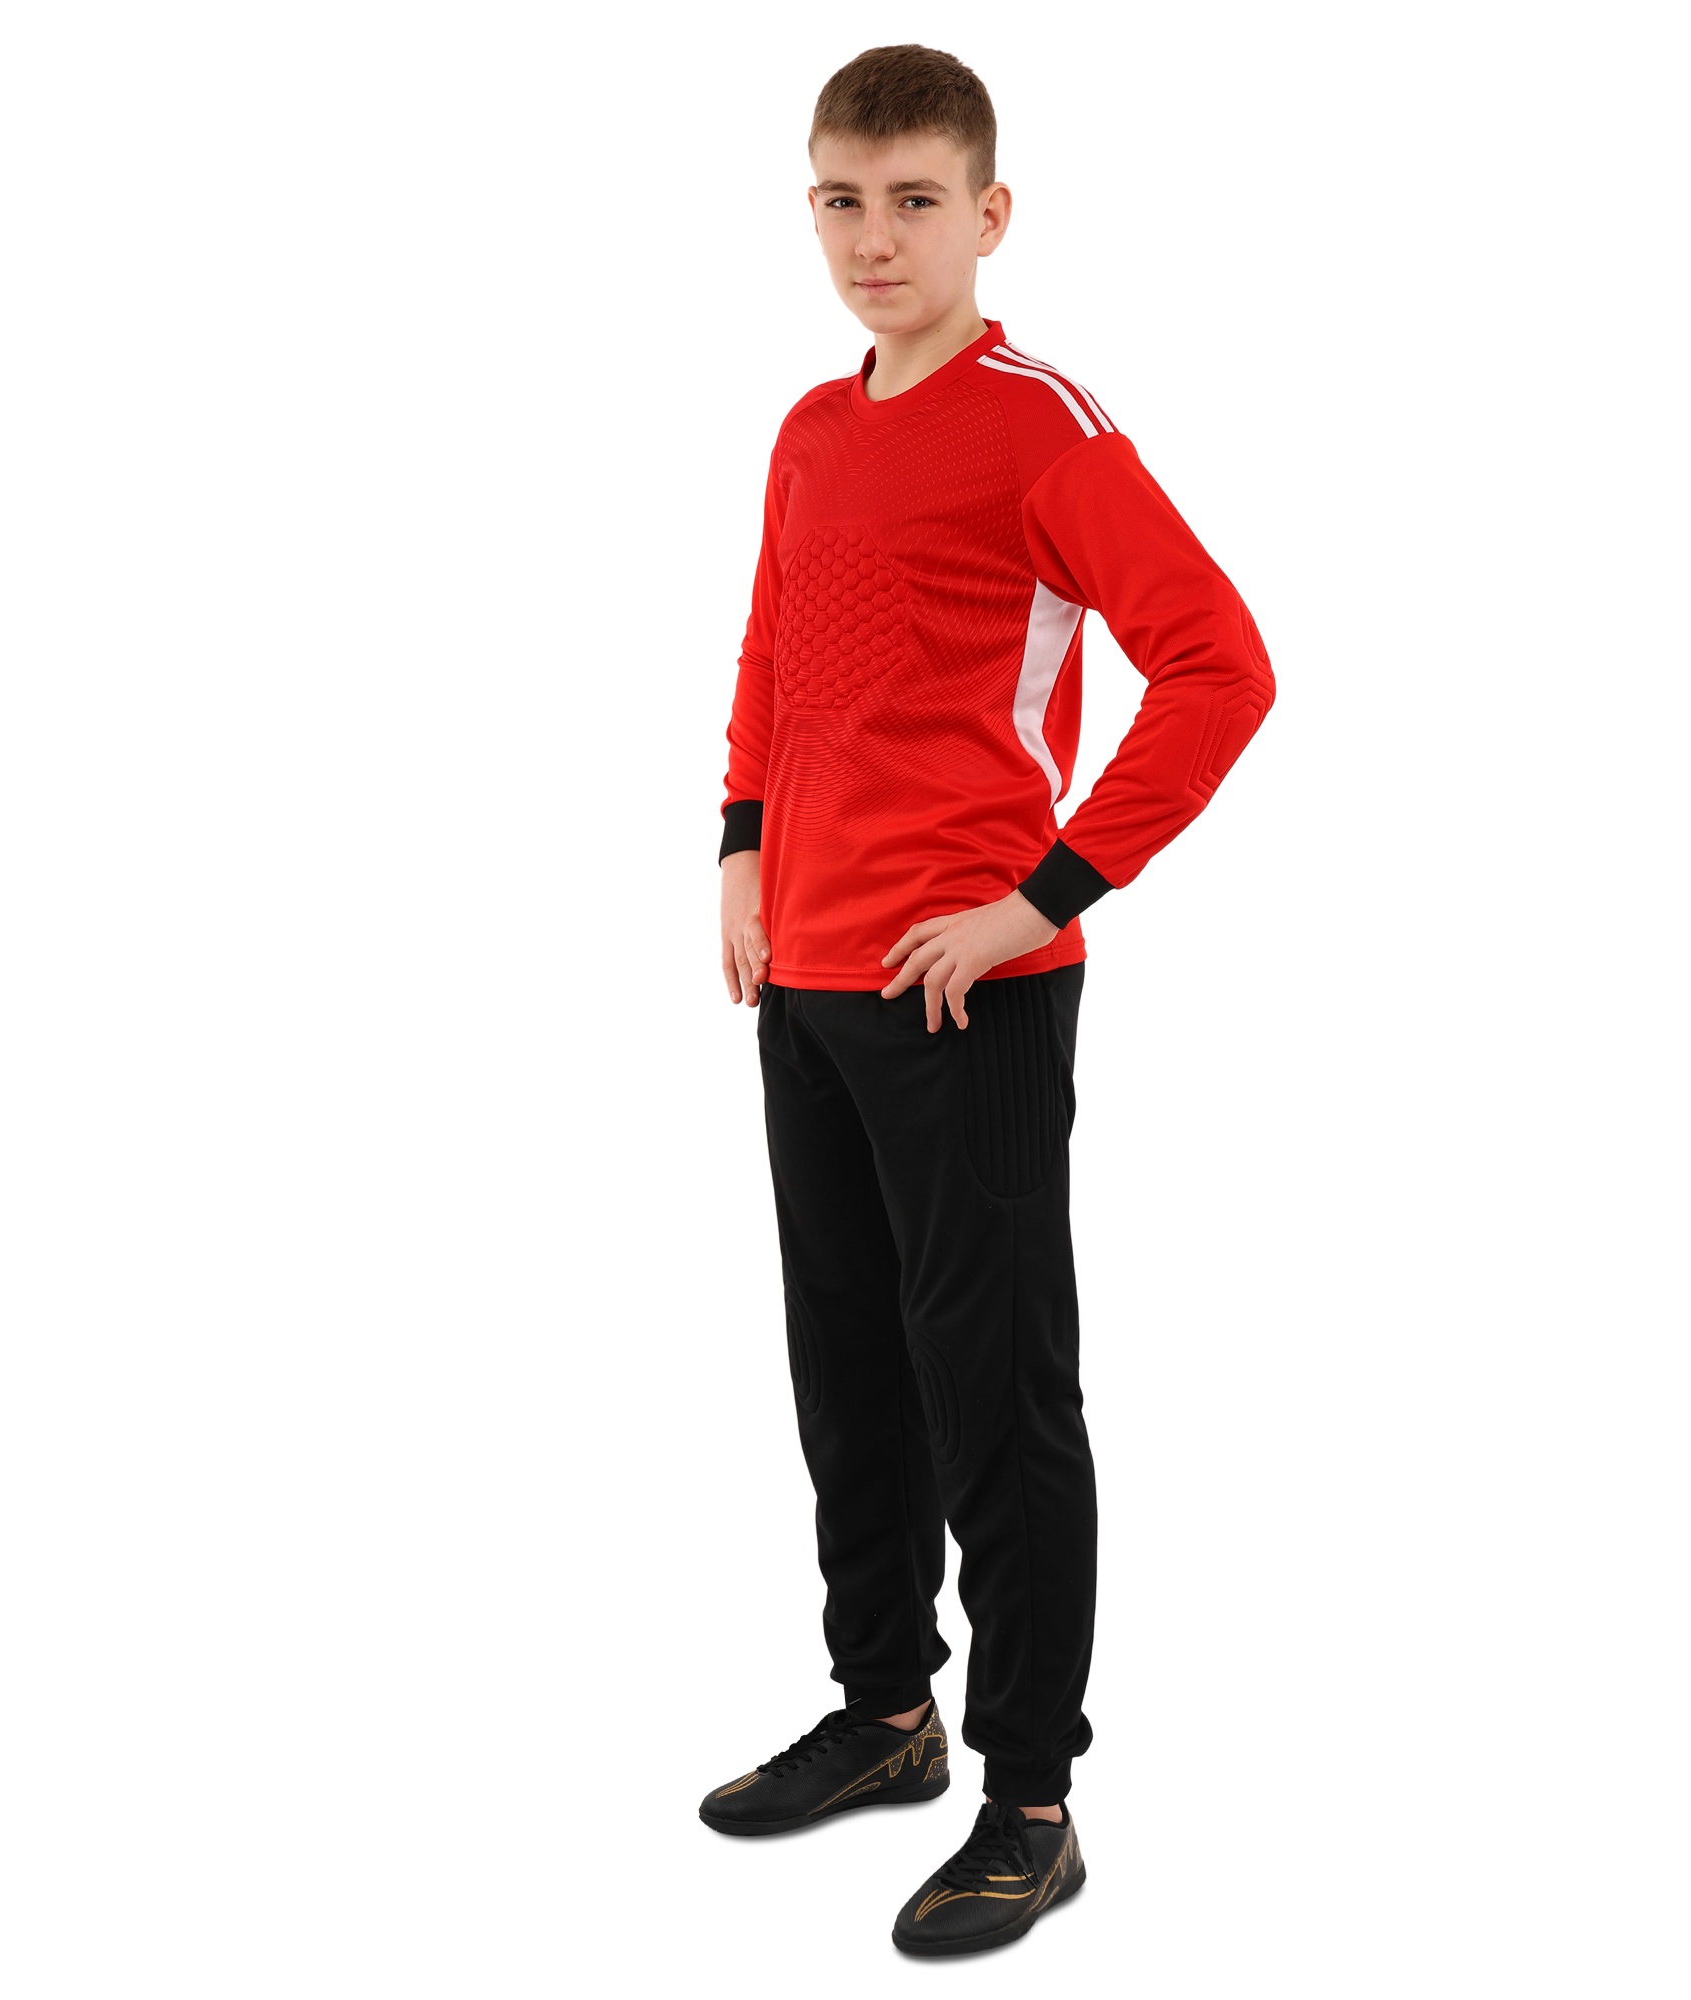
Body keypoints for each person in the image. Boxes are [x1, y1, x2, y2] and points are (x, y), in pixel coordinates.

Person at [703, 43, 1275, 1958]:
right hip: (810, 979)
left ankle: (1032, 1797)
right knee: (847, 1367)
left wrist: (1039, 899)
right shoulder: (810, 426)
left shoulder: (1040, 429)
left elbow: (1221, 666)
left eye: (915, 202)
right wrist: (740, 850)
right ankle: (887, 1711)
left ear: (989, 214)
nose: (875, 239)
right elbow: (774, 651)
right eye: (842, 201)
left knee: (999, 1394)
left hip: (973, 998)